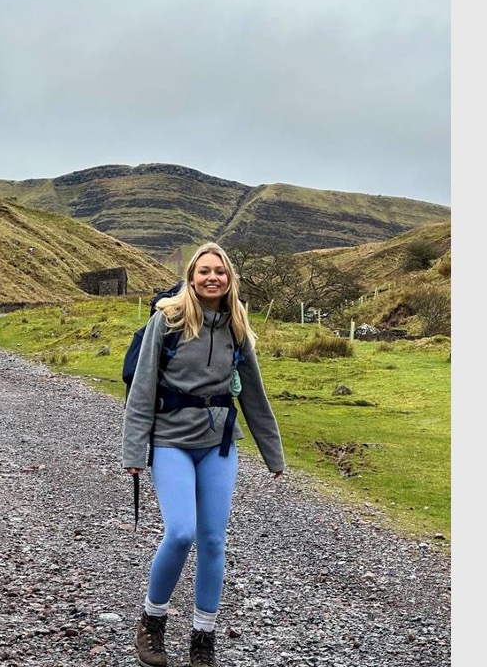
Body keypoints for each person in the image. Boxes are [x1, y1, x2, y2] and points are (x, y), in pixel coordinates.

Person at [121, 242, 286, 667]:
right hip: (171, 441)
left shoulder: (236, 325)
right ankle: (151, 622)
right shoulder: (168, 319)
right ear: (192, 276)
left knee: (213, 540)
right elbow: (142, 389)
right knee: (180, 533)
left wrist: (274, 455)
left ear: (229, 279)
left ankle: (203, 639)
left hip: (218, 444)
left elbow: (254, 394)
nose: (212, 278)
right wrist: (134, 450)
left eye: (221, 272)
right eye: (204, 271)